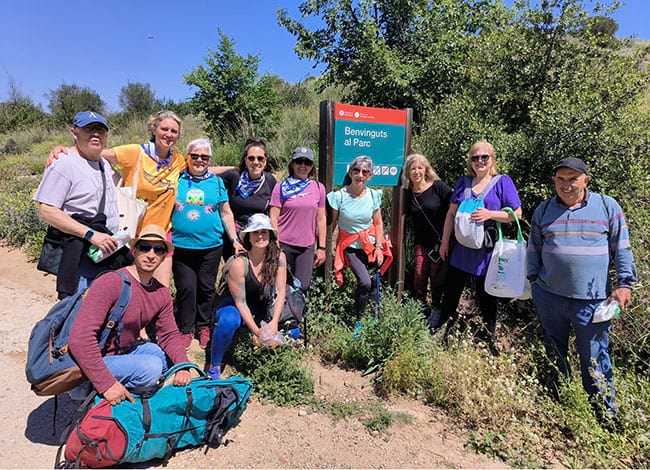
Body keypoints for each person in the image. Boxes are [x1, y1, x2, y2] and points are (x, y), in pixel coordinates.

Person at [527, 157, 636, 418]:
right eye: (561, 179)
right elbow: (534, 248)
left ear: (586, 180)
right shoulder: (544, 210)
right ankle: (560, 404)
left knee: (595, 357)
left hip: (592, 301)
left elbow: (621, 247)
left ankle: (604, 415)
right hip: (550, 296)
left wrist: (624, 284)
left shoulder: (607, 207)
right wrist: (534, 283)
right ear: (554, 181)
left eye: (572, 179)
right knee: (554, 351)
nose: (566, 185)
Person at [68, 225, 191, 406]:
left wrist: (184, 366)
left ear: (164, 256)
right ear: (134, 251)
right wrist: (107, 384)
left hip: (121, 351)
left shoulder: (161, 292)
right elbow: (80, 338)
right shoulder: (111, 282)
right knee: (151, 368)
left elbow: (169, 334)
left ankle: (133, 398)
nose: (151, 254)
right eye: (145, 247)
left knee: (163, 357)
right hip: (92, 358)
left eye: (158, 250)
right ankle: (98, 401)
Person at [33, 111, 127, 299]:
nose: (95, 134)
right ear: (74, 133)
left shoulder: (103, 164)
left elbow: (126, 184)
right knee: (79, 316)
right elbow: (47, 210)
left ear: (106, 136)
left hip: (105, 253)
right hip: (80, 256)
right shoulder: (63, 163)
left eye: (100, 130)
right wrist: (91, 235)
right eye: (89, 129)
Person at [438, 141, 522, 345]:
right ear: (470, 161)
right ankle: (445, 324)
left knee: (486, 294)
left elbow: (517, 214)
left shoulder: (503, 182)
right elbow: (451, 213)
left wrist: (490, 214)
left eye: (484, 157)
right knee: (452, 290)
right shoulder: (463, 182)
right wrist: (444, 241)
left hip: (487, 249)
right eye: (475, 158)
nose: (480, 161)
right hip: (461, 247)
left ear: (492, 159)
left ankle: (488, 333)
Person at [171, 138, 241, 350]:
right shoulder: (176, 179)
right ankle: (186, 328)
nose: (199, 160)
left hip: (211, 245)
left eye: (204, 157)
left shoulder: (217, 183)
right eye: (195, 156)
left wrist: (235, 239)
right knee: (185, 288)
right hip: (181, 245)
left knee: (206, 287)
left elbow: (226, 212)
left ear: (209, 160)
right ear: (187, 158)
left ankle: (203, 325)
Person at [208, 214, 287, 380]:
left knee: (292, 331)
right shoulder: (239, 263)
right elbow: (240, 302)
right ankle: (214, 365)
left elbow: (280, 292)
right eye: (255, 233)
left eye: (264, 232)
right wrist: (258, 331)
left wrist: (273, 323)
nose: (260, 236)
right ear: (248, 237)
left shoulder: (279, 258)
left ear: (270, 235)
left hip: (261, 305)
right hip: (234, 305)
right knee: (229, 321)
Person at [327, 156, 392, 329]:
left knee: (373, 282)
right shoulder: (339, 197)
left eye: (365, 172)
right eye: (356, 170)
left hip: (369, 245)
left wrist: (379, 248)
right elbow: (332, 224)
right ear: (350, 172)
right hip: (350, 246)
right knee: (365, 282)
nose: (360, 175)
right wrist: (326, 247)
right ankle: (360, 321)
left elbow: (378, 223)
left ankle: (373, 321)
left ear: (370, 176)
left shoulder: (373, 195)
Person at [269, 146, 326, 292]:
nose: (303, 166)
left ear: (312, 166)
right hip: (284, 244)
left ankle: (296, 314)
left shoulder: (318, 188)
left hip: (306, 245)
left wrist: (321, 247)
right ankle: (280, 314)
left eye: (307, 162)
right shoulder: (280, 187)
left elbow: (320, 219)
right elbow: (273, 217)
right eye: (299, 161)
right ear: (292, 164)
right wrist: (275, 242)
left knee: (303, 286)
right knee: (281, 285)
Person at [402, 153, 452, 316]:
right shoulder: (407, 193)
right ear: (408, 172)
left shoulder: (437, 186)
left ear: (426, 170)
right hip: (421, 242)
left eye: (419, 168)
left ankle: (436, 308)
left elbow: (454, 206)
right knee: (419, 274)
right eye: (412, 168)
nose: (416, 171)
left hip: (440, 241)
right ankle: (420, 306)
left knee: (436, 278)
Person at [220, 138, 277, 261]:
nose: (256, 162)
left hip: (258, 236)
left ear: (265, 161)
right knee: (234, 273)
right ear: (245, 160)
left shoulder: (270, 181)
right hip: (233, 236)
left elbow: (275, 212)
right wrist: (234, 168)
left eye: (260, 158)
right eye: (251, 158)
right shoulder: (234, 176)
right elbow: (207, 173)